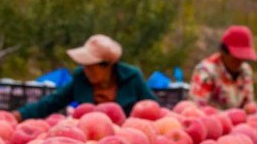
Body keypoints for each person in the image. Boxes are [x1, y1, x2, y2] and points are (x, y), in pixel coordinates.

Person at [13, 34, 157, 121]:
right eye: (85, 65)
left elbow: (153, 107)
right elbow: (51, 102)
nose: (86, 70)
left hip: (129, 137)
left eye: (91, 66)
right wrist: (18, 115)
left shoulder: (132, 77)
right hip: (89, 139)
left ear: (107, 65)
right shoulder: (81, 77)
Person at [189, 25, 257, 110]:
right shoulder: (206, 71)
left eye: (243, 58)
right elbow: (196, 109)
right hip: (211, 120)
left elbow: (248, 105)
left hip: (239, 121)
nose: (240, 62)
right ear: (223, 52)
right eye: (236, 58)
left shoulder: (245, 71)